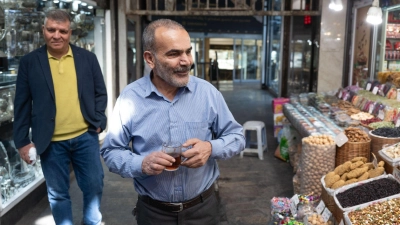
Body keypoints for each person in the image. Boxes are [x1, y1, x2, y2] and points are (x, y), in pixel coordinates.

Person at [100, 19, 245, 225]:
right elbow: (111, 151)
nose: (186, 61)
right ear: (150, 59)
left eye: (188, 51)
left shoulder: (207, 93)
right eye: (174, 54)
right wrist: (141, 163)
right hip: (154, 214)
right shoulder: (130, 98)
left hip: (203, 210)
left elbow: (237, 136)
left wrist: (210, 147)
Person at [13, 9, 107, 225]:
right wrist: (22, 142)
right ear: (43, 30)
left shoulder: (87, 59)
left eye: (62, 31)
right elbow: (22, 105)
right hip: (50, 141)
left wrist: (100, 122)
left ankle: (91, 222)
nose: (57, 35)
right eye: (51, 30)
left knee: (94, 185)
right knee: (58, 194)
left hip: (85, 136)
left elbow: (100, 93)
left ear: (70, 32)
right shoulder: (30, 62)